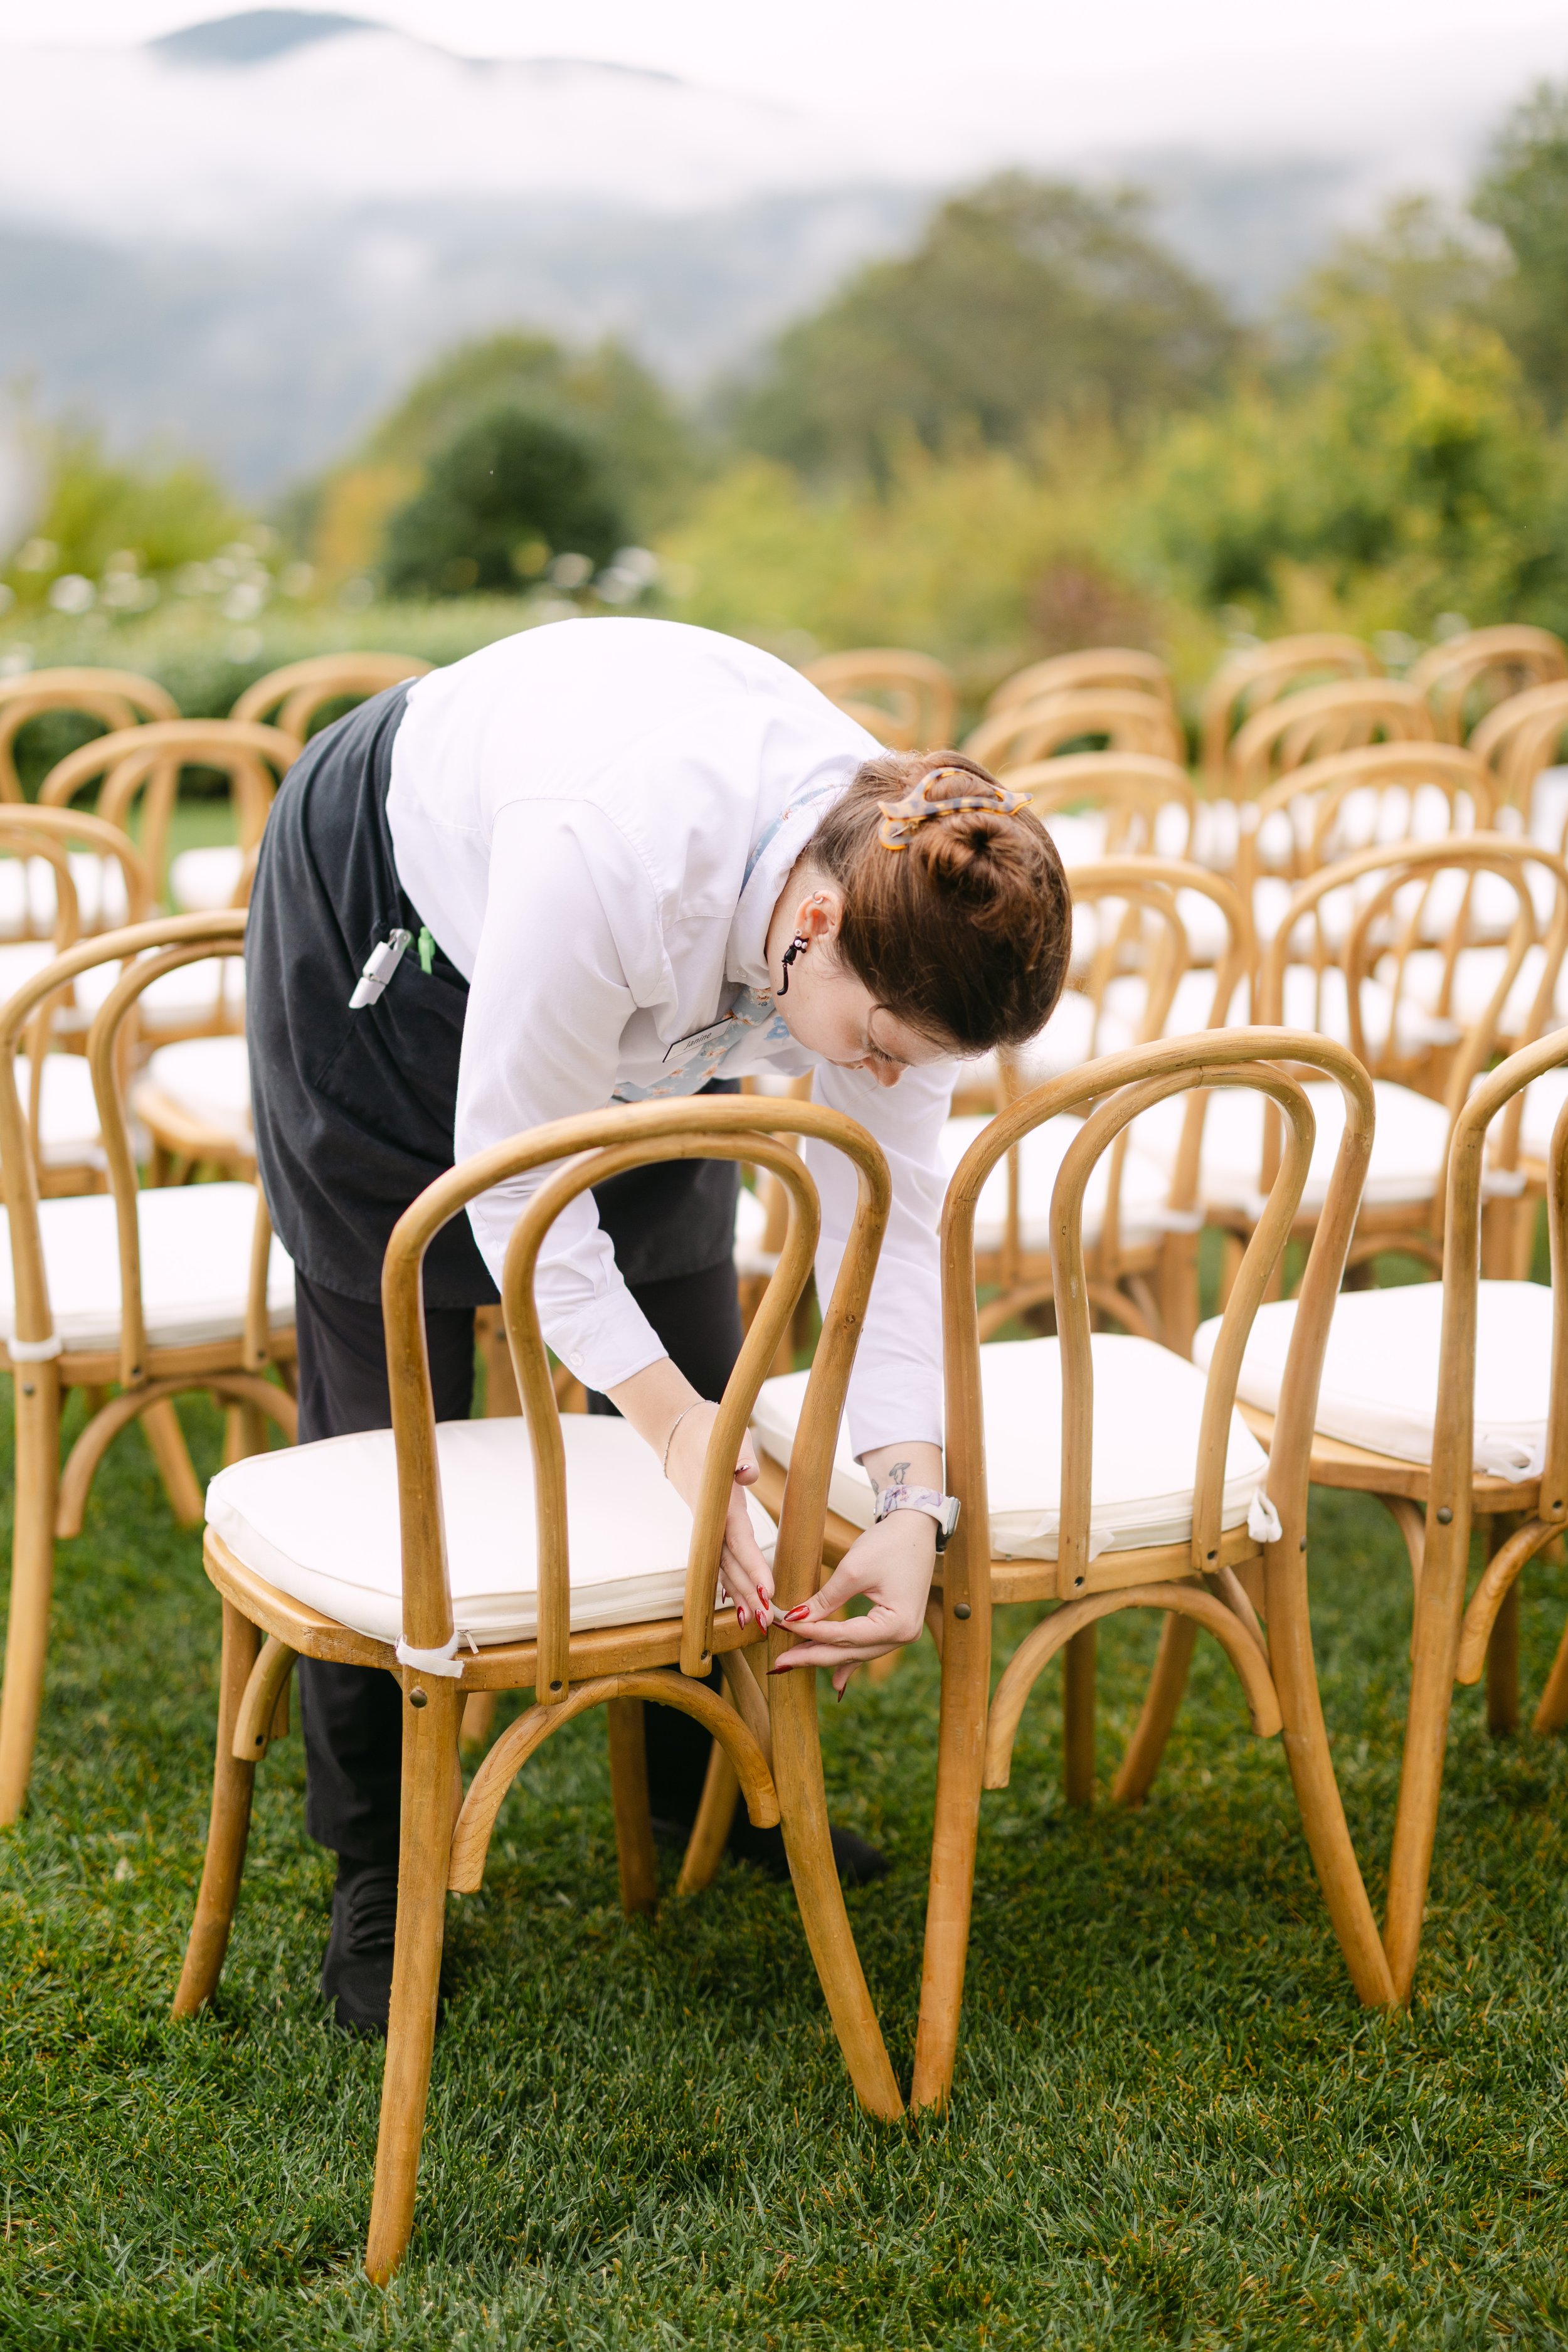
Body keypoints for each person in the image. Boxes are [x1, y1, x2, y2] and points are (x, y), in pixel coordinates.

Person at [246, 617, 1070, 2032]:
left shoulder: (903, 931)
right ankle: (378, 1858)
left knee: (696, 1319)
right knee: (392, 1408)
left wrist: (909, 1496)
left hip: (661, 970)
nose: (880, 1074)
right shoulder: (609, 859)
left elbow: (892, 1216)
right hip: (384, 923)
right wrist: (674, 1423)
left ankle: (705, 1778)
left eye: (903, 1060)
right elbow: (509, 1198)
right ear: (812, 925)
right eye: (874, 1043)